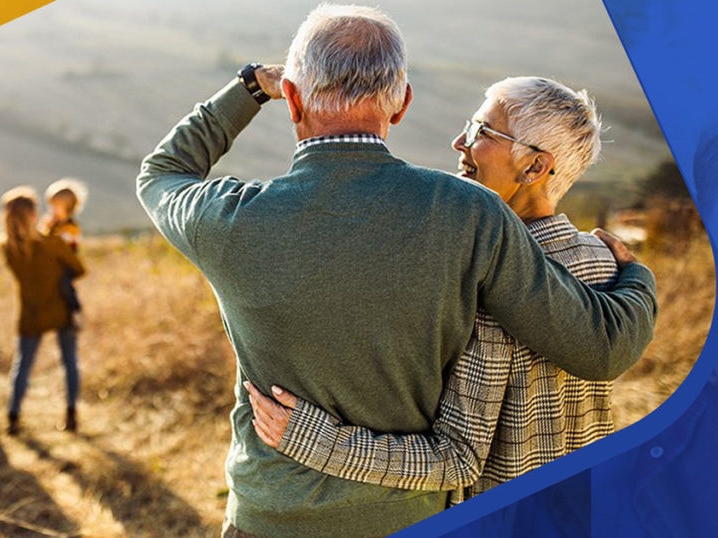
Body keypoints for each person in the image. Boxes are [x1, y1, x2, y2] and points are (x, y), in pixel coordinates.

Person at [135, 5, 658, 537]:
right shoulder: (470, 213)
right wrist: (636, 277)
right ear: (402, 104)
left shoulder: (227, 220)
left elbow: (161, 174)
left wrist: (250, 88)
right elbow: (600, 348)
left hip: (269, 518)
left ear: (292, 99)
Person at [247, 76, 633, 503]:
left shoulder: (486, 282)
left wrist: (313, 440)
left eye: (481, 133)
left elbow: (458, 459)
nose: (458, 143)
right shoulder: (605, 258)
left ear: (535, 167)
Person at [0, 186, 86, 434]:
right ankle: (71, 414)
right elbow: (79, 269)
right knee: (69, 361)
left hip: (30, 312)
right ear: (33, 215)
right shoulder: (52, 243)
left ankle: (13, 417)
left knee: (22, 365)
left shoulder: (5, 246)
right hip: (61, 308)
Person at [40, 178, 89, 327]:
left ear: (67, 207)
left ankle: (76, 310)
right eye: (51, 206)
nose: (52, 210)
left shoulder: (72, 227)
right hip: (51, 264)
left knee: (65, 285)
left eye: (56, 206)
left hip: (67, 264)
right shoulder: (51, 224)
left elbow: (70, 248)